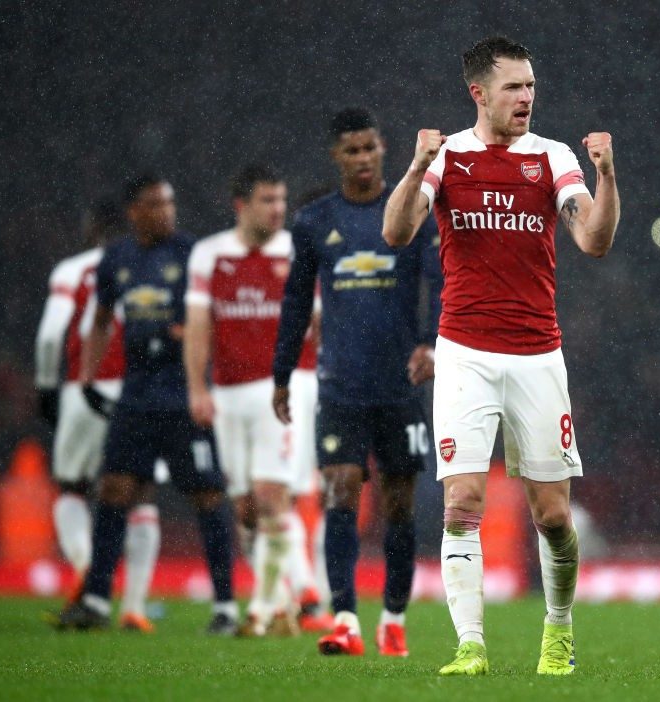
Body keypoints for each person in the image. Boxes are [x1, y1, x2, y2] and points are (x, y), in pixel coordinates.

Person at [382, 36, 620, 676]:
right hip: (462, 352)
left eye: (532, 87)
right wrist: (413, 167)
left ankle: (559, 631)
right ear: (478, 92)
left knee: (552, 516)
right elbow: (397, 232)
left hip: (538, 354)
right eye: (514, 86)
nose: (527, 98)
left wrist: (607, 175)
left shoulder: (553, 158)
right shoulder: (448, 156)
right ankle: (470, 647)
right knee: (462, 502)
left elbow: (593, 240)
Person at [273, 108, 441, 657]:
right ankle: (344, 618)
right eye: (352, 151)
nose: (363, 159)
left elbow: (442, 284)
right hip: (341, 383)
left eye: (370, 148)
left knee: (398, 505)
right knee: (339, 491)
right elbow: (296, 301)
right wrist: (280, 373)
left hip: (399, 384)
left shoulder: (414, 210)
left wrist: (432, 342)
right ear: (336, 157)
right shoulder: (314, 221)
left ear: (383, 148)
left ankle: (393, 619)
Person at [53, 175, 238, 634]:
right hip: (136, 394)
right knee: (114, 490)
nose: (166, 212)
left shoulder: (191, 254)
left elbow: (213, 315)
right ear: (134, 211)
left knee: (207, 494)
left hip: (181, 391)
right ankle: (96, 601)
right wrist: (90, 377)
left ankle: (226, 607)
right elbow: (99, 321)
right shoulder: (116, 259)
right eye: (155, 205)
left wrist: (194, 341)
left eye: (170, 203)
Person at [184, 164, 332, 636]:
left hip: (285, 389)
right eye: (267, 201)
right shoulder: (209, 255)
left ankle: (271, 607)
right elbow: (199, 326)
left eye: (281, 201)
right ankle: (286, 599)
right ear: (241, 205)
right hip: (228, 393)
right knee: (246, 508)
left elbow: (323, 322)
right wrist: (197, 387)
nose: (278, 210)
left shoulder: (299, 250)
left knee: (273, 495)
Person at [34, 199, 161, 632]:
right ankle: (134, 606)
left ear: (91, 229)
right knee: (141, 496)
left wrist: (47, 388)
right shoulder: (144, 266)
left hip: (82, 387)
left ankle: (88, 569)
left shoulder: (72, 271)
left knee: (72, 486)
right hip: (136, 389)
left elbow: (52, 335)